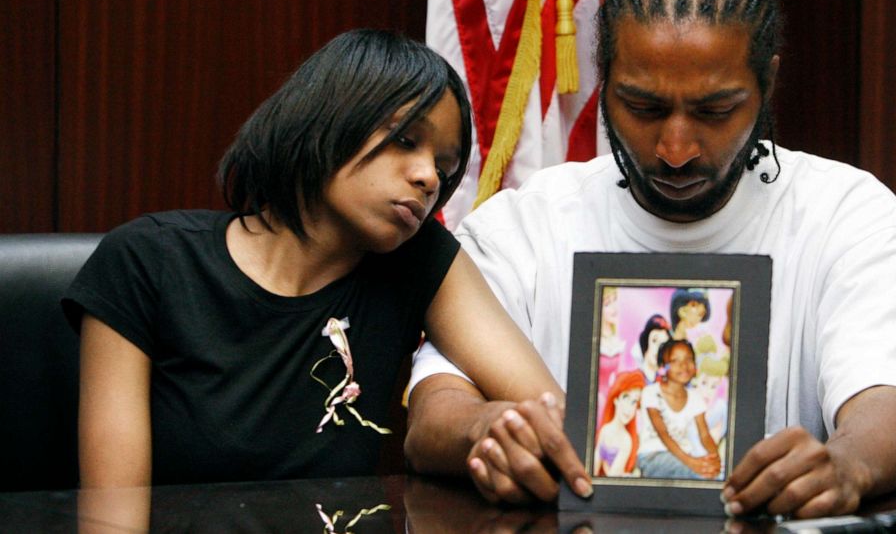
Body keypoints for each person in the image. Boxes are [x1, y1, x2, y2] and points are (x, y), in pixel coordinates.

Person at [404, 0, 896, 518]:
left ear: (767, 85)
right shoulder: (522, 222)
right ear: (603, 80)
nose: (675, 150)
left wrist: (847, 463)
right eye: (644, 108)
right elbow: (433, 412)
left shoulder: (847, 213)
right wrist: (482, 429)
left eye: (715, 111)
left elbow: (886, 406)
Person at [62, 29, 561, 488]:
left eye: (444, 166)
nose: (429, 177)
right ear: (330, 118)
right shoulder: (147, 260)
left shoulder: (418, 260)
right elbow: (113, 517)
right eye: (406, 140)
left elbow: (553, 414)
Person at [638, 340, 721, 480]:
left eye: (689, 359)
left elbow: (705, 435)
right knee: (698, 474)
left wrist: (716, 460)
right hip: (652, 457)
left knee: (714, 473)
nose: (684, 365)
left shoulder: (695, 397)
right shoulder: (651, 392)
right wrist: (691, 462)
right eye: (675, 361)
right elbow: (663, 434)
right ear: (663, 367)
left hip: (685, 456)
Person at [593, 371, 645, 477]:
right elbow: (593, 468)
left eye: (634, 401)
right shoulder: (605, 430)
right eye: (626, 398)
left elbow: (612, 478)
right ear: (615, 399)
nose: (629, 408)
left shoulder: (626, 440)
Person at [637, 314, 672, 383]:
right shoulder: (633, 379)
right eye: (654, 341)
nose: (659, 349)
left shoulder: (668, 380)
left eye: (664, 344)